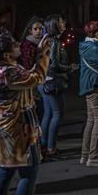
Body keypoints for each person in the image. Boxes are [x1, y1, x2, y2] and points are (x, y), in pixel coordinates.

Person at [0, 28, 52, 195]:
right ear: (6, 54)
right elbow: (36, 78)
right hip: (19, 128)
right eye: (15, 46)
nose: (19, 47)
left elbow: (28, 77)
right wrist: (43, 54)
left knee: (4, 172)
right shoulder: (9, 72)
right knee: (28, 173)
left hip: (1, 127)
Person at [39, 14, 73, 161]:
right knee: (57, 114)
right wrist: (69, 68)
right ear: (54, 25)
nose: (64, 23)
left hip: (46, 82)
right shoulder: (53, 42)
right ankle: (50, 149)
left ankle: (44, 146)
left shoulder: (50, 40)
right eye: (61, 21)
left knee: (48, 114)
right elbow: (53, 65)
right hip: (52, 82)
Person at [77, 20, 98, 166]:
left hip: (88, 86)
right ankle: (94, 156)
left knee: (91, 120)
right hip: (94, 86)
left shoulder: (87, 46)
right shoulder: (94, 48)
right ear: (97, 33)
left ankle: (85, 155)